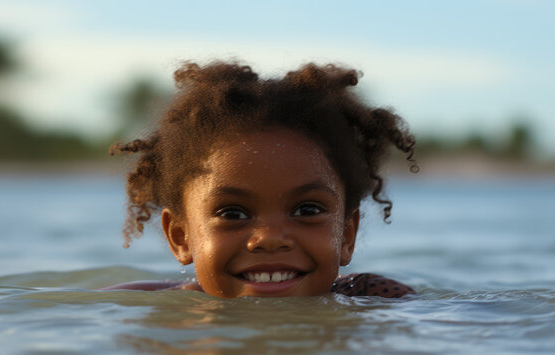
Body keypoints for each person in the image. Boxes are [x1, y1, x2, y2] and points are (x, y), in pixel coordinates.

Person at [102, 61, 417, 298]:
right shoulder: (143, 308)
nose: (269, 238)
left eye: (307, 210)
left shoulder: (378, 298)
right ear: (181, 237)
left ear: (347, 235)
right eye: (232, 214)